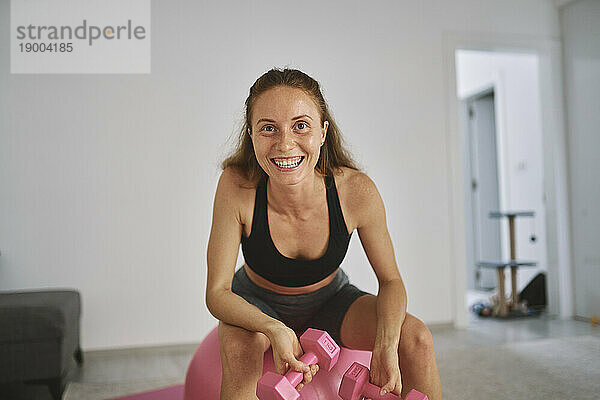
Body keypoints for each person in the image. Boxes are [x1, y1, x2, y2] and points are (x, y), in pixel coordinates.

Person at [205, 68, 442, 400]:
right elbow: (217, 292)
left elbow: (391, 281)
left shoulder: (355, 190)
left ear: (322, 133)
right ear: (251, 135)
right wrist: (273, 328)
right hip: (256, 301)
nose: (285, 144)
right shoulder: (236, 184)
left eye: (301, 126)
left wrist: (387, 345)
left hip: (332, 301)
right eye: (268, 129)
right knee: (241, 355)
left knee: (416, 338)